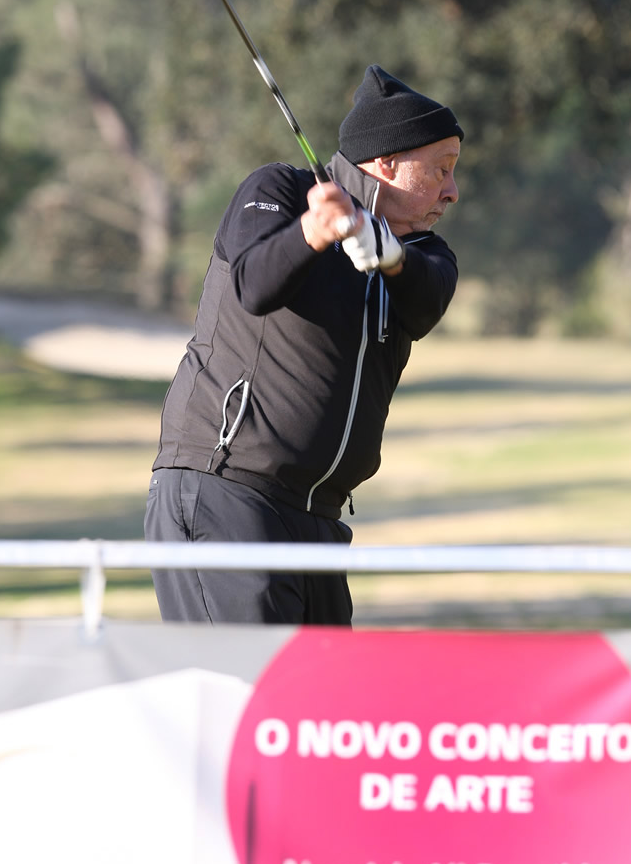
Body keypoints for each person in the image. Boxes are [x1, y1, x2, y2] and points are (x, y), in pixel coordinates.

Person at [145, 64, 463, 625]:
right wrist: (313, 233)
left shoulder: (425, 253)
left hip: (319, 519)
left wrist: (385, 251)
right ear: (387, 161)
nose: (452, 191)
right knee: (245, 682)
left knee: (321, 686)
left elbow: (427, 297)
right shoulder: (280, 191)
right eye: (441, 169)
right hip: (227, 492)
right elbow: (253, 285)